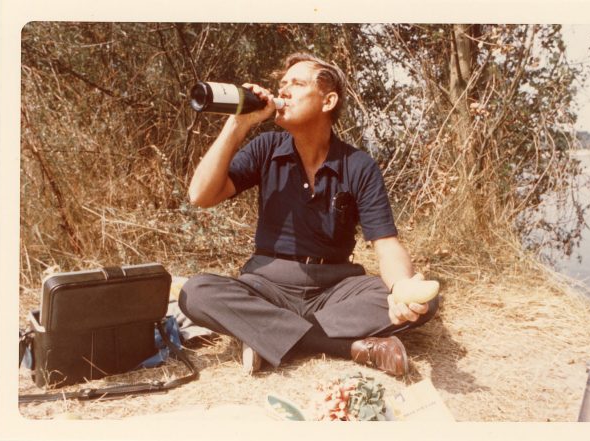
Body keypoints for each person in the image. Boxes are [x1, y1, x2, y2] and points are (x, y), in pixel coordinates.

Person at [179, 53, 439, 376]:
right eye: (282, 84)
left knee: (425, 305)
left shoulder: (359, 166)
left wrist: (401, 289)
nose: (283, 92)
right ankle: (347, 346)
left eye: (297, 84)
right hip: (267, 285)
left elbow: (386, 245)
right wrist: (238, 123)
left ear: (328, 101)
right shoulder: (267, 148)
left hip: (334, 289)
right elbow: (200, 195)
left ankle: (266, 335)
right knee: (195, 293)